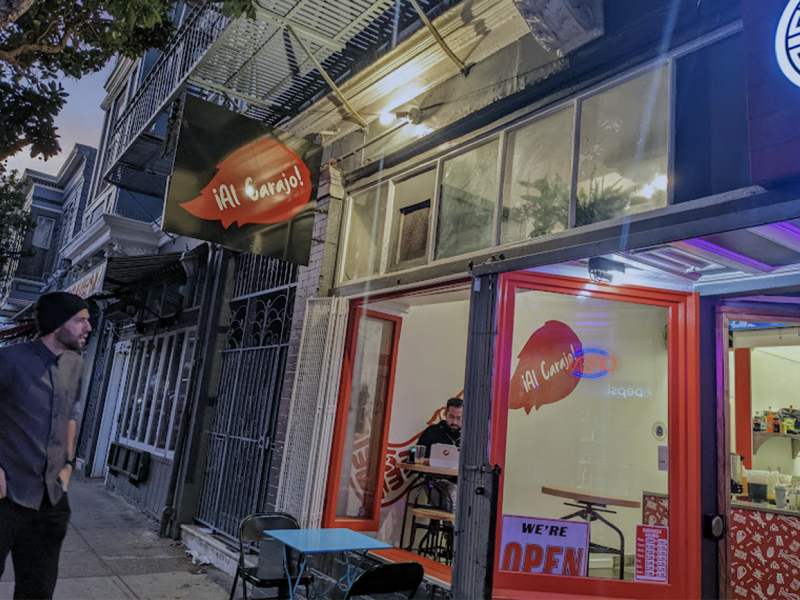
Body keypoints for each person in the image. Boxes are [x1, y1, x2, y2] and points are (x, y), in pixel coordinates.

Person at [0, 292, 92, 600]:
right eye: (80, 320)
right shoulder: (10, 360)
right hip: (6, 493)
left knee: (38, 590)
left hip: (50, 499)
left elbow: (70, 418)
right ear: (57, 324)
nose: (88, 327)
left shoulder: (76, 365)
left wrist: (67, 464)